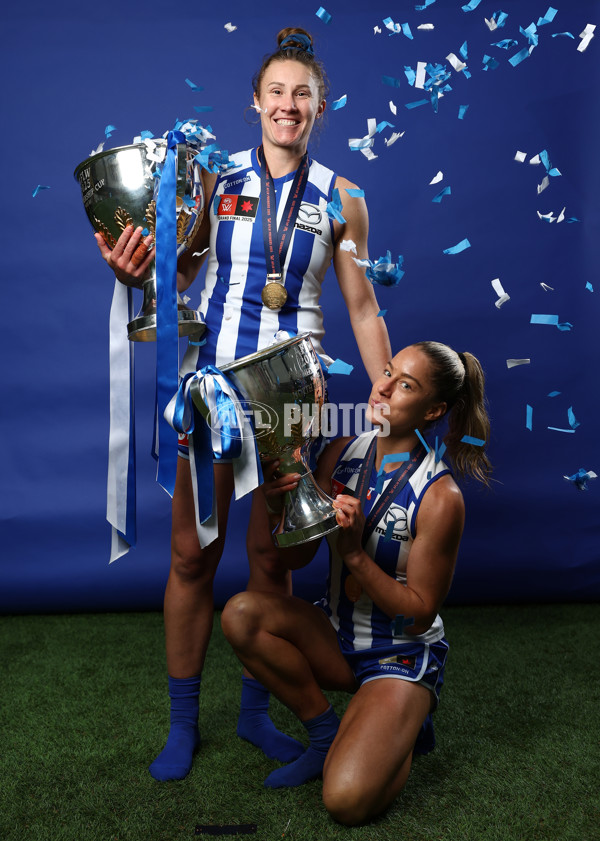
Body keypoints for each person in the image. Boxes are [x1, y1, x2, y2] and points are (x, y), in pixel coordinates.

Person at [93, 27, 391, 781]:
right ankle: (182, 724)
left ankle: (256, 714)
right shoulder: (214, 178)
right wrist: (132, 264)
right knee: (193, 553)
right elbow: (181, 269)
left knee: (271, 554)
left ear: (322, 106)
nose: (289, 105)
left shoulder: (345, 197)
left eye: (303, 94)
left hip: (296, 391)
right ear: (255, 102)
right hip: (217, 387)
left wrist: (385, 384)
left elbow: (361, 307)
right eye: (277, 92)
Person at [221, 341, 492, 825]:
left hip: (398, 652)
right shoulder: (345, 451)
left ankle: (405, 722)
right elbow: (299, 555)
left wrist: (354, 557)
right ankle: (325, 734)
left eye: (405, 384)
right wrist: (274, 500)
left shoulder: (439, 495)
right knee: (242, 614)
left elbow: (418, 613)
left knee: (344, 802)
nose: (383, 386)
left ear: (433, 410)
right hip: (337, 634)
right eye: (387, 371)